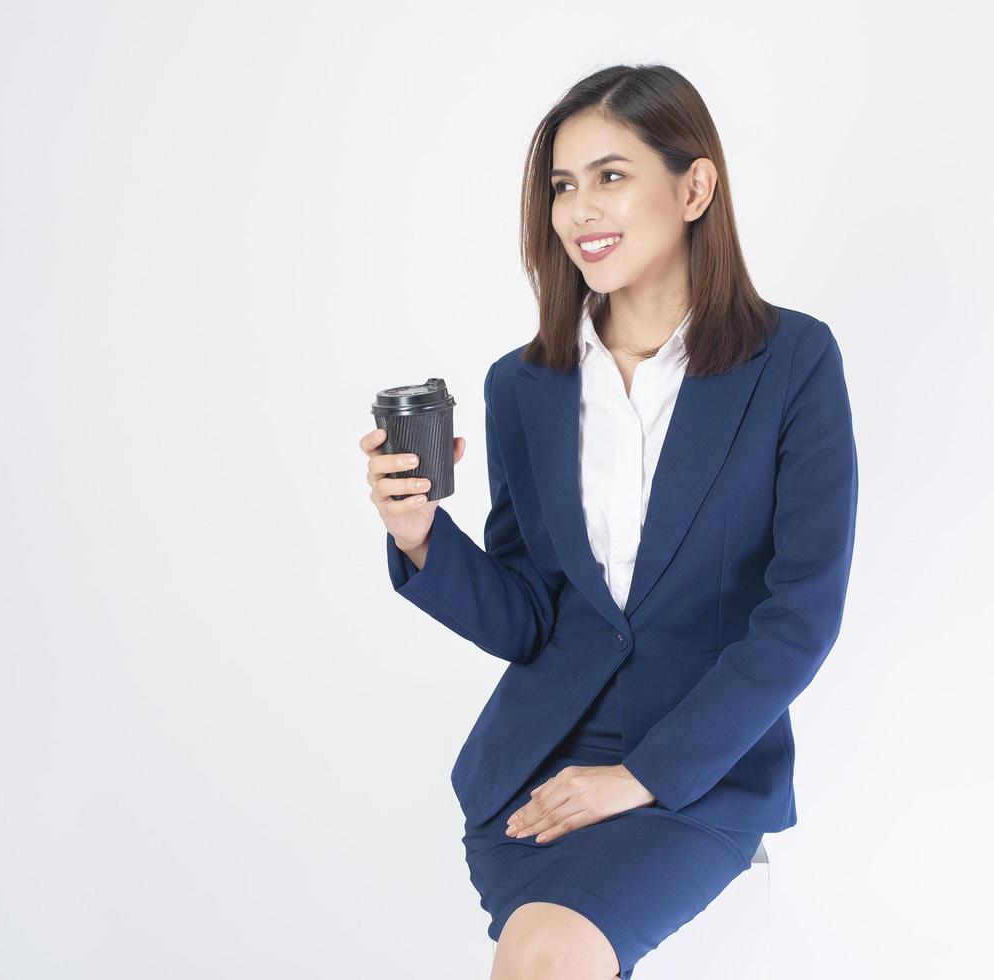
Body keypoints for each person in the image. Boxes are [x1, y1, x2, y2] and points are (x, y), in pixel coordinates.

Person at [361, 64, 857, 980]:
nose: (579, 209)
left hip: (698, 773)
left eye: (611, 175)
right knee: (548, 951)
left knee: (545, 958)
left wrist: (642, 776)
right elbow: (530, 618)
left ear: (695, 186)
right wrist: (421, 537)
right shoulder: (525, 385)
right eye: (562, 185)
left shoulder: (793, 361)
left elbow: (800, 614)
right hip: (540, 770)